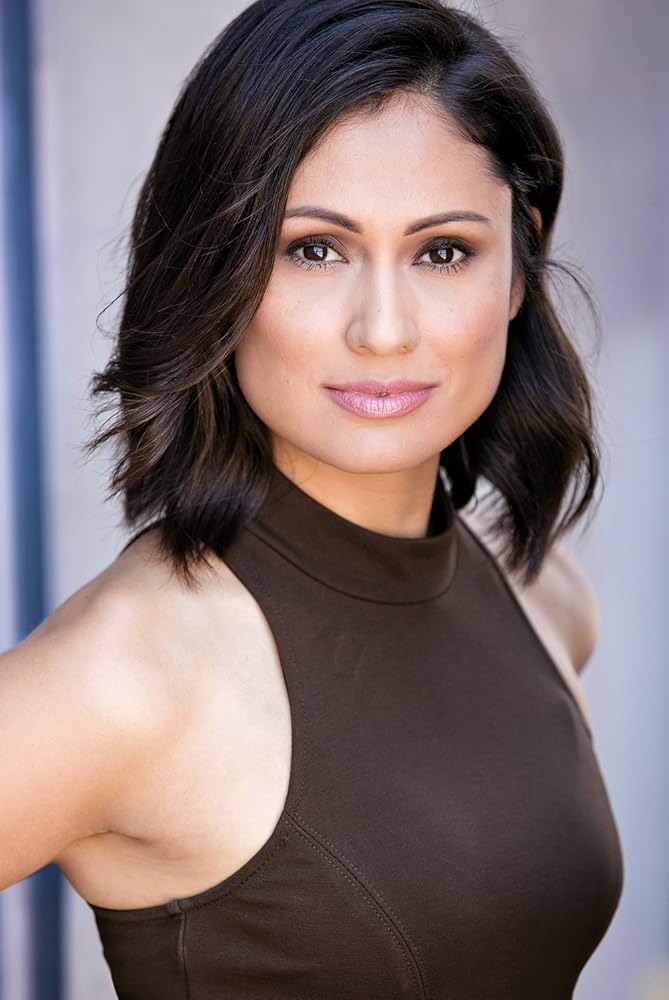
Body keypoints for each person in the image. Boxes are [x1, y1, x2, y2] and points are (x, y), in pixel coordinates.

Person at [1, 0, 624, 996]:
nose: (383, 329)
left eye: (442, 251)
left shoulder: (544, 594)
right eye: (314, 249)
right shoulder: (124, 673)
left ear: (518, 267)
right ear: (217, 265)